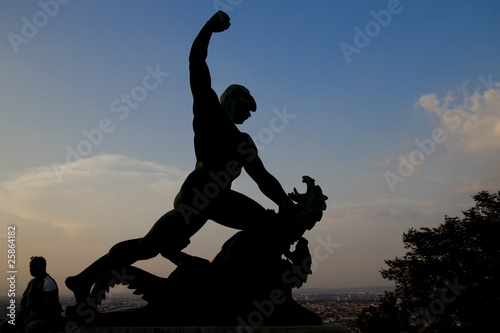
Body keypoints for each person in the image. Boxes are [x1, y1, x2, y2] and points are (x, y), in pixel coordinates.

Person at [65, 10, 294, 304]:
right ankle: (242, 287)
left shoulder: (243, 141)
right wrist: (210, 27)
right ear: (233, 98)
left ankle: (83, 278)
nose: (247, 117)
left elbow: (262, 177)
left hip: (209, 197)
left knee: (150, 245)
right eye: (246, 109)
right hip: (201, 191)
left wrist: (284, 201)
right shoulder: (209, 112)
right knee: (258, 223)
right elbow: (196, 62)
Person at [0, 257, 62, 333]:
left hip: (44, 317)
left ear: (40, 268)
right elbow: (24, 298)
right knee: (4, 324)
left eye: (32, 267)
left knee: (29, 329)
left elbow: (47, 309)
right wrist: (22, 310)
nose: (30, 269)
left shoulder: (49, 283)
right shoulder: (33, 282)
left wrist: (27, 320)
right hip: (29, 313)